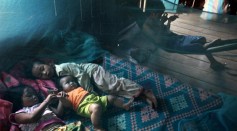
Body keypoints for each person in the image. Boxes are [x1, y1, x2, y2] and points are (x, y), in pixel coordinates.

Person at [135, 0, 236, 70]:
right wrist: (162, 23)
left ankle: (214, 62)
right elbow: (158, 40)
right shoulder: (146, 26)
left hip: (175, 38)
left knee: (202, 39)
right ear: (152, 13)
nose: (161, 16)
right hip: (171, 45)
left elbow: (166, 31)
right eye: (159, 14)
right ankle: (214, 55)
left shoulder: (155, 20)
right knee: (199, 46)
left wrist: (169, 22)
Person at [27, 60, 158, 109]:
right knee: (111, 91)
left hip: (92, 72)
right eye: (41, 75)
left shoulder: (62, 67)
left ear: (47, 62)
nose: (45, 73)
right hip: (91, 81)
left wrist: (90, 92)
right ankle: (140, 96)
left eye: (42, 69)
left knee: (112, 84)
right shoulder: (56, 78)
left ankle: (144, 91)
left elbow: (81, 75)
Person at [57, 75, 135, 131]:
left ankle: (124, 105)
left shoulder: (79, 87)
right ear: (62, 88)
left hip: (97, 99)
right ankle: (97, 127)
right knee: (96, 107)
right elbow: (68, 105)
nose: (71, 83)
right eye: (67, 83)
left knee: (111, 97)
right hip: (84, 106)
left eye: (72, 81)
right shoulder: (66, 95)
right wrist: (62, 98)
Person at [5, 85, 88, 131]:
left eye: (34, 94)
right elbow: (32, 117)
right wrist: (46, 101)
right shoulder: (19, 113)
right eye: (29, 96)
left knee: (80, 127)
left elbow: (59, 114)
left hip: (62, 127)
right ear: (19, 100)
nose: (34, 96)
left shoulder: (42, 105)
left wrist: (61, 99)